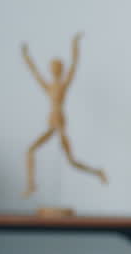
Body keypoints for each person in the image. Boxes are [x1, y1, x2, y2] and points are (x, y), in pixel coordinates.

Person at [20, 32, 108, 197]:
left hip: (60, 124)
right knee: (30, 151)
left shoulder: (63, 85)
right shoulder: (49, 86)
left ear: (60, 69)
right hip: (51, 124)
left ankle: (97, 172)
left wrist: (75, 44)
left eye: (56, 67)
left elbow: (74, 64)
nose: (54, 69)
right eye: (52, 67)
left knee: (71, 161)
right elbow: (35, 72)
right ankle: (31, 185)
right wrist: (26, 56)